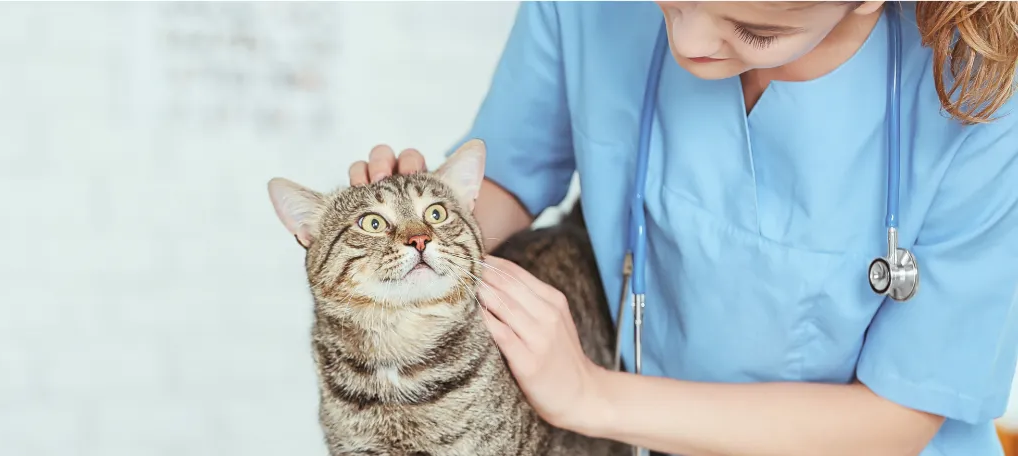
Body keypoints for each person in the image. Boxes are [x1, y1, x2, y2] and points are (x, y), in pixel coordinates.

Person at [347, 2, 1018, 455]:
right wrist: (415, 228)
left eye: (754, 30)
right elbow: (509, 175)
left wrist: (591, 396)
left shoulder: (984, 95)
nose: (686, 43)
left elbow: (899, 414)